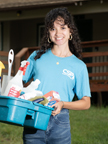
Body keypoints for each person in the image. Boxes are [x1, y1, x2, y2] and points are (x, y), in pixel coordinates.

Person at [22, 7, 91, 144]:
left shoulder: (79, 66)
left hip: (60, 123)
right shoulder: (36, 57)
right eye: (53, 28)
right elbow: (18, 83)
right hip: (33, 118)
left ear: (71, 31)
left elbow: (86, 102)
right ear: (48, 32)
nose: (58, 33)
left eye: (63, 27)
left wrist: (63, 104)